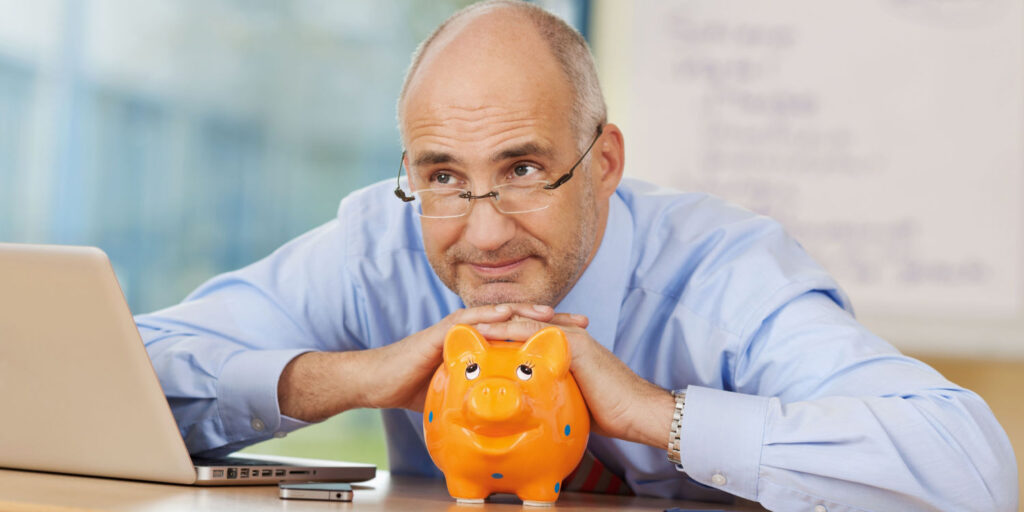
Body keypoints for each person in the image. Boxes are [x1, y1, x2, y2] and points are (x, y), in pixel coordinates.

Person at [135, 1, 1017, 510]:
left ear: (603, 163)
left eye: (523, 170)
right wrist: (349, 380)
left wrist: (652, 414)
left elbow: (970, 467)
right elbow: (125, 376)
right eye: (443, 175)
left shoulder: (727, 274)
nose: (482, 235)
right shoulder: (377, 244)